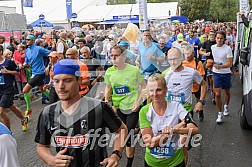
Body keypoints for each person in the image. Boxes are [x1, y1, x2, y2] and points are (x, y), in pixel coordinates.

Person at [35, 59, 127, 167]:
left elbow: (122, 130)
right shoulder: (47, 113)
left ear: (79, 80)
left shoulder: (98, 107)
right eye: (56, 81)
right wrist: (51, 159)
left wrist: (115, 155)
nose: (61, 86)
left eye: (67, 80)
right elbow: (42, 146)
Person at [139, 73, 199, 167]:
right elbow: (149, 144)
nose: (154, 94)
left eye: (158, 90)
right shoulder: (144, 111)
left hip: (175, 162)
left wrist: (175, 130)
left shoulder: (177, 106)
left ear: (166, 90)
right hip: (152, 163)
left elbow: (194, 130)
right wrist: (167, 133)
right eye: (151, 91)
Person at [104, 46, 145, 167]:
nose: (113, 58)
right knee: (121, 133)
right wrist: (107, 101)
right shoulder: (109, 71)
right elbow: (108, 87)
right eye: (111, 56)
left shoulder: (134, 70)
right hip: (118, 107)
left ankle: (128, 164)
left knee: (127, 135)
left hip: (132, 107)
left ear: (124, 57)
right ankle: (136, 131)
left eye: (116, 56)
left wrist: (138, 103)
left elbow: (144, 87)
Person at [0, 45, 28, 131]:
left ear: (0, 52)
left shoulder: (8, 62)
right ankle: (24, 119)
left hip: (7, 89)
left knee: (1, 112)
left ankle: (8, 132)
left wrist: (7, 71)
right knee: (12, 107)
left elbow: (17, 72)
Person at [22, 34, 51, 118]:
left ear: (33, 40)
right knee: (42, 89)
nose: (27, 41)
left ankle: (28, 109)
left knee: (25, 90)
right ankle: (55, 100)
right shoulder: (27, 50)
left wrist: (48, 66)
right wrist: (23, 64)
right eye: (26, 39)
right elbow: (26, 60)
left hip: (40, 73)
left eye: (28, 39)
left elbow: (52, 54)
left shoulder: (39, 49)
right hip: (33, 72)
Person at [211, 31, 233, 124]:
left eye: (221, 38)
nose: (219, 40)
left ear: (224, 39)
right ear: (215, 38)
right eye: (218, 38)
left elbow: (230, 63)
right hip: (216, 73)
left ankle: (226, 107)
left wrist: (221, 66)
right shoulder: (212, 47)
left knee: (227, 92)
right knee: (217, 94)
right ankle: (219, 114)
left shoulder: (227, 49)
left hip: (226, 73)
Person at [182, 45, 206, 121]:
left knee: (198, 99)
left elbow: (201, 76)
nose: (187, 56)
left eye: (188, 54)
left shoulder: (197, 62)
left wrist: (192, 80)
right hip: (186, 87)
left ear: (193, 53)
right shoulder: (182, 63)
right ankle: (190, 116)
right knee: (187, 102)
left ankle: (200, 111)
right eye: (185, 54)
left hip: (196, 86)